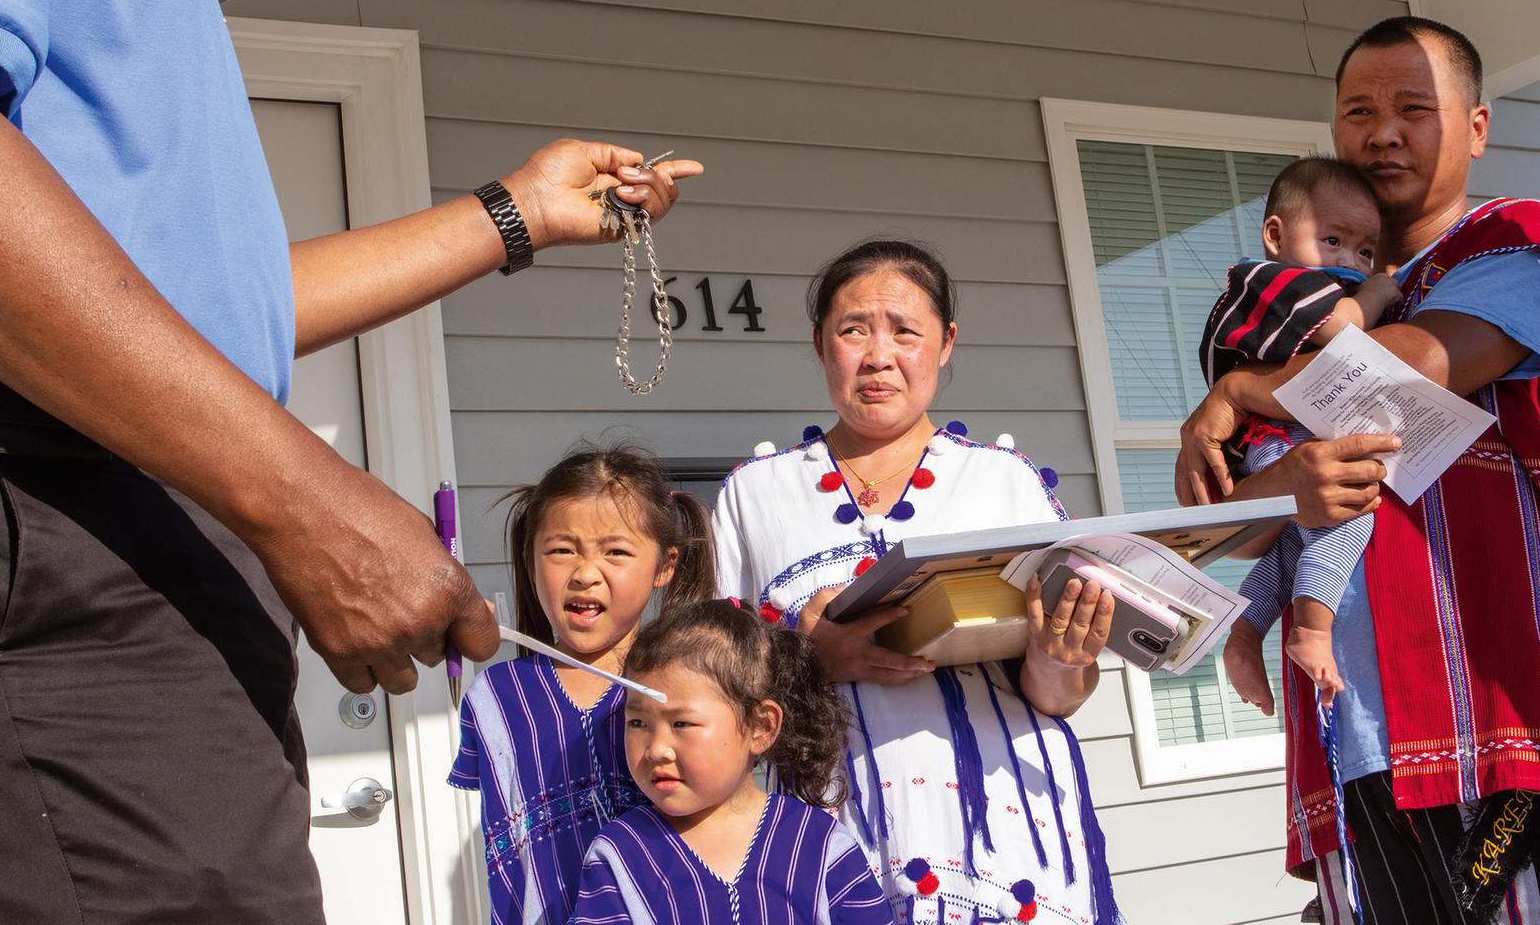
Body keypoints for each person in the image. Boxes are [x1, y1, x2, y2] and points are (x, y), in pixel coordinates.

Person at [0, 0, 700, 920]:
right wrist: (306, 503)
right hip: (0, 489)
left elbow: (200, 319)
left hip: (97, 497)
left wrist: (513, 214)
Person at [1178, 18, 1540, 923]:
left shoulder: (1518, 240)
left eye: (1414, 108)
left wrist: (1238, 388)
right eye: (1359, 110)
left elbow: (1394, 375)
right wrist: (1284, 479)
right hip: (1354, 727)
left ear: (1475, 127)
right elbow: (1233, 521)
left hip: (1507, 711)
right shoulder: (1299, 306)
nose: (1383, 131)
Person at [709, 240, 1122, 925]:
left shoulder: (1003, 482)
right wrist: (808, 658)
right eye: (853, 330)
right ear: (819, 344)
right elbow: (710, 682)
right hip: (833, 843)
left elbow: (1058, 696)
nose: (879, 356)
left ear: (946, 342)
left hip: (1011, 845)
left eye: (905, 331)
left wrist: (1063, 658)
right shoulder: (755, 494)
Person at [451, 445, 718, 925]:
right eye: (561, 550)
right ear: (530, 560)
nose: (585, 574)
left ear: (665, 565)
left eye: (615, 551)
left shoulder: (693, 687)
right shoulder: (492, 698)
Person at [1194, 156, 1403, 711]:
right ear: (1276, 235)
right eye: (1331, 238)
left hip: (1273, 444)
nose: (1349, 260)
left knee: (1290, 548)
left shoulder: (1296, 282)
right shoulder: (1277, 282)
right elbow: (1342, 329)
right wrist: (1381, 290)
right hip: (1276, 442)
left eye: (1364, 250)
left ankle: (1244, 631)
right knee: (1348, 510)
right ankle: (1311, 630)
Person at [568, 598, 893, 925]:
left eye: (681, 724)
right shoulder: (620, 854)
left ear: (761, 726)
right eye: (637, 723)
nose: (656, 749)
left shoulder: (819, 845)